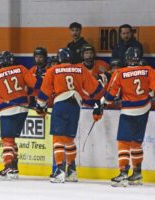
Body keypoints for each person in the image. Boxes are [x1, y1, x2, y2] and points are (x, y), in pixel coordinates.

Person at [96, 47, 155, 187]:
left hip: (128, 111)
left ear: (127, 59)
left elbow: (110, 95)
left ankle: (123, 173)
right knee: (136, 143)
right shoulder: (148, 70)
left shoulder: (119, 72)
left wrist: (101, 104)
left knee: (123, 142)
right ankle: (137, 173)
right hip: (144, 110)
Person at [36, 48, 104, 183]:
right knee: (69, 139)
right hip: (75, 105)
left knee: (58, 139)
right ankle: (71, 171)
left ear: (59, 58)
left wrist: (40, 106)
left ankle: (60, 170)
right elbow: (97, 90)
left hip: (61, 104)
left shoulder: (53, 70)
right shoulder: (81, 69)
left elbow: (44, 94)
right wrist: (98, 106)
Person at [0, 51, 42, 180]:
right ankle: (14, 168)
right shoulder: (20, 69)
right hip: (23, 109)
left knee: (7, 140)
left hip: (8, 109)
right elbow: (35, 84)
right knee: (12, 139)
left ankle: (8, 167)